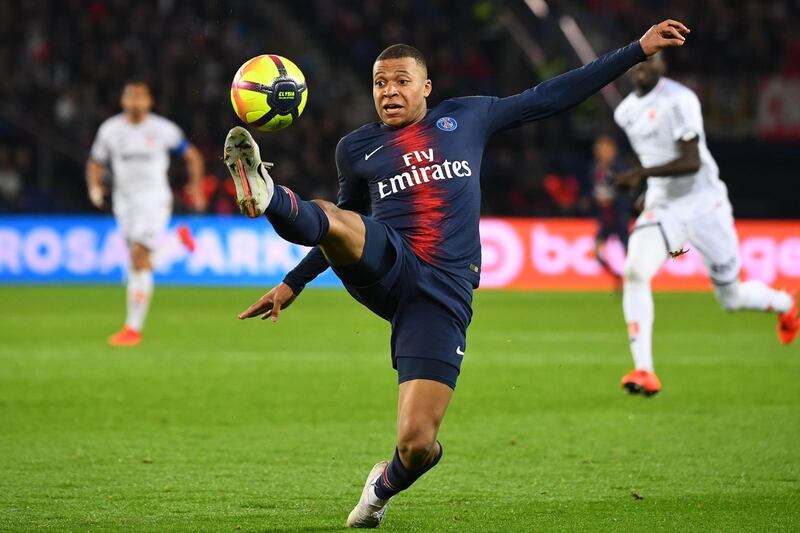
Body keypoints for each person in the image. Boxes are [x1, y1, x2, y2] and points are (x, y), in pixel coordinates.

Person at [227, 21, 691, 528]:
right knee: (336, 218)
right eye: (380, 83)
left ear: (426, 87)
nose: (389, 92)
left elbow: (554, 95)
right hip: (391, 261)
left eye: (401, 81)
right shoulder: (356, 148)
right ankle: (268, 193)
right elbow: (340, 223)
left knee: (417, 443)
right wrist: (295, 281)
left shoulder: (468, 116)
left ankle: (379, 492)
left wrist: (635, 51)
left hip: (442, 294)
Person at [614, 53, 798, 397]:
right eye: (638, 60)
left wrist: (641, 176)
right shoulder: (624, 112)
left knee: (731, 297)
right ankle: (645, 369)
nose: (642, 66)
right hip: (664, 206)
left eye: (650, 60)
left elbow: (690, 160)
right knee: (636, 272)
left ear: (663, 66)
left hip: (705, 205)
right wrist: (649, 188)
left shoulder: (680, 99)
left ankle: (786, 304)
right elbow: (651, 154)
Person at [87, 81, 206, 346]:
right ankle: (178, 243)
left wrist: (196, 186)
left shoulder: (164, 129)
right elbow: (95, 162)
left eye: (141, 97)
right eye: (132, 97)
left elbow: (192, 156)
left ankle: (132, 329)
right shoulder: (110, 130)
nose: (136, 102)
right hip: (124, 203)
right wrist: (95, 187)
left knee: (139, 258)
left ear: (150, 102)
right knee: (139, 263)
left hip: (154, 200)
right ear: (123, 101)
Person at [588, 134, 632, 284]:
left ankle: (631, 279)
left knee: (628, 251)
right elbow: (592, 191)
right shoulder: (594, 169)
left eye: (606, 149)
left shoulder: (619, 169)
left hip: (619, 216)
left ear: (613, 151)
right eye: (600, 149)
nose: (602, 152)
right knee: (597, 252)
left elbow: (627, 192)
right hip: (605, 219)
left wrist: (612, 199)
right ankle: (616, 277)